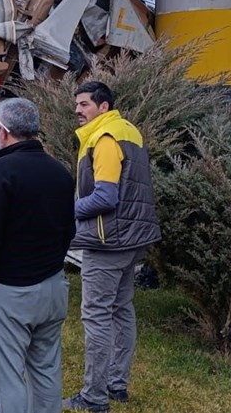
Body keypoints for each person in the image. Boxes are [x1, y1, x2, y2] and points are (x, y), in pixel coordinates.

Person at [0, 97, 75, 412]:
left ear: (2, 130)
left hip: (7, 291)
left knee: (6, 379)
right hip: (52, 287)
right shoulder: (60, 171)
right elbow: (68, 230)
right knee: (46, 372)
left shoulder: (0, 170)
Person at [64, 81, 161, 413]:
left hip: (108, 241)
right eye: (76, 104)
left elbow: (106, 197)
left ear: (103, 107)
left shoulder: (104, 138)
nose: (77, 110)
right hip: (133, 239)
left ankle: (94, 395)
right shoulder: (129, 131)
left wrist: (64, 210)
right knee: (122, 309)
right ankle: (117, 385)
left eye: (85, 104)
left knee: (97, 315)